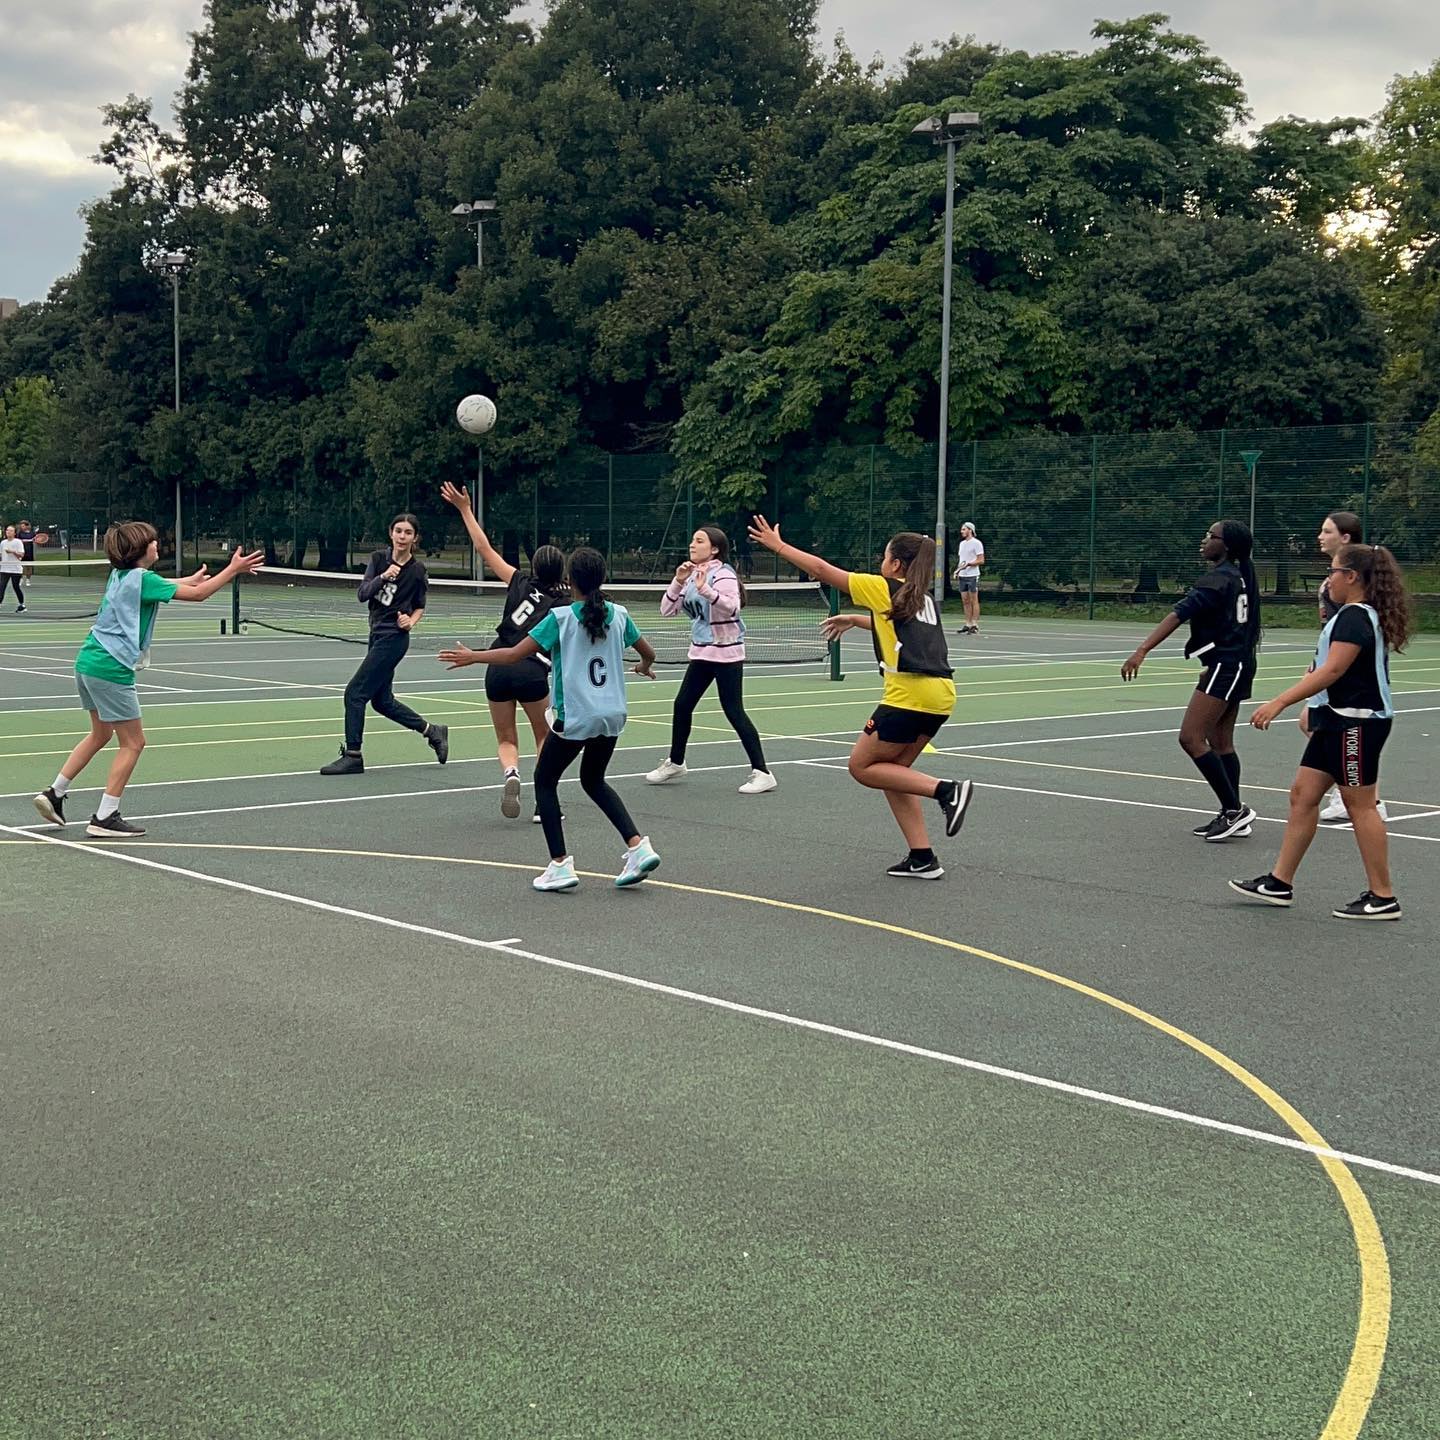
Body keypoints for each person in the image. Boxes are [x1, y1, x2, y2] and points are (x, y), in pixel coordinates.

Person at [748, 515, 973, 879]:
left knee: (862, 768)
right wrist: (856, 619)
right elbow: (894, 624)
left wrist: (779, 547)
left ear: (896, 564)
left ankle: (947, 791)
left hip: (909, 695)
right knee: (893, 773)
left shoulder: (881, 586)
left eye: (884, 556)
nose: (880, 562)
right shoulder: (921, 598)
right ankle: (922, 857)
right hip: (941, 695)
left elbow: (823, 569)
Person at [440, 547, 662, 892]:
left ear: (569, 581)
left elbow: (514, 653)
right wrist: (644, 667)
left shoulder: (561, 619)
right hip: (612, 717)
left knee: (545, 781)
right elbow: (648, 653)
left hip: (576, 717)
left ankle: (559, 864)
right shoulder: (619, 614)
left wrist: (473, 657)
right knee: (593, 780)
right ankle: (637, 846)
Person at [31, 521, 263, 837]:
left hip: (87, 661)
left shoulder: (121, 575)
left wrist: (187, 580)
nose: (157, 545)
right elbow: (199, 596)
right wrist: (233, 569)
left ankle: (54, 793)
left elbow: (160, 585)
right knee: (134, 742)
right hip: (111, 668)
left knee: (100, 735)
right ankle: (105, 816)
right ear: (142, 550)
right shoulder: (144, 579)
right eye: (153, 542)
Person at [1230, 543, 1411, 919]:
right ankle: (1279, 882)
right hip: (1335, 718)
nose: (1328, 579)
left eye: (1332, 571)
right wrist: (1314, 710)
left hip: (1358, 722)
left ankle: (1383, 896)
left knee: (1360, 805)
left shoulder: (1355, 617)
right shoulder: (1351, 615)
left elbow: (1331, 671)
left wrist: (1279, 702)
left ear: (1351, 577)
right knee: (1302, 795)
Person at [1120, 519, 1261, 842]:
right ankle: (1232, 813)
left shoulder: (1218, 579)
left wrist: (1142, 650)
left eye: (1211, 536)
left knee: (1191, 738)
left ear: (1225, 546)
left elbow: (1178, 614)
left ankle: (1234, 810)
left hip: (1228, 665)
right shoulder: (1237, 577)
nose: (1204, 540)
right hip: (1233, 663)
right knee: (1221, 741)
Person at [441, 480, 568, 820]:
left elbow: (484, 549)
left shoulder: (519, 582)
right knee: (544, 737)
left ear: (535, 568)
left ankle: (511, 773)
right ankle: (544, 802)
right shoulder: (565, 601)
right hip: (532, 668)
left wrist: (465, 509)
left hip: (497, 666)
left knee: (506, 738)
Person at [645, 525, 776, 795]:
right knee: (682, 705)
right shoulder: (691, 575)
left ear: (714, 548)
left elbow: (732, 606)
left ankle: (763, 772)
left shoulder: (723, 574)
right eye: (692, 540)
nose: (692, 545)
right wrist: (679, 580)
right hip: (702, 652)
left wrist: (705, 589)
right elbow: (667, 610)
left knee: (733, 711)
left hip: (726, 652)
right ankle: (677, 762)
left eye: (699, 541)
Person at [319, 513, 449, 776]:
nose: (402, 537)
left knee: (354, 694)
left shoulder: (417, 570)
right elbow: (362, 594)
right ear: (391, 533)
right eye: (398, 531)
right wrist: (384, 576)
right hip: (376, 634)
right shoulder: (379, 560)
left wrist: (410, 621)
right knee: (382, 701)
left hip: (394, 639)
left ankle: (353, 755)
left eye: (408, 533)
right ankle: (432, 731)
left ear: (415, 538)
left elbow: (420, 606)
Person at [1314, 512, 1388, 825]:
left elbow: (1345, 646)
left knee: (1320, 728)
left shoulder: (1354, 597)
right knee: (1302, 792)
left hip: (1355, 696)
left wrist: (1285, 698)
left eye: (1326, 531)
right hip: (1334, 672)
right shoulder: (1335, 581)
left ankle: (1367, 798)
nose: (1320, 536)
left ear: (1345, 538)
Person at [952, 521, 985, 635]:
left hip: (973, 575)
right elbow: (962, 561)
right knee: (965, 600)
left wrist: (970, 564)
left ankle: (975, 625)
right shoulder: (962, 544)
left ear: (970, 530)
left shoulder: (977, 543)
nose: (962, 531)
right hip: (963, 576)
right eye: (962, 529)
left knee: (973, 600)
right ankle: (968, 623)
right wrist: (957, 571)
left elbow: (981, 560)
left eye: (964, 529)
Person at [1, 524, 24, 611]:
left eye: (10, 531)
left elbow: (21, 555)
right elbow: (1, 555)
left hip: (16, 569)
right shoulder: (3, 543)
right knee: (1, 586)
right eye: (7, 530)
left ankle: (22, 605)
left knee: (16, 587)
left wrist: (12, 552)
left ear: (14, 533)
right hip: (4, 569)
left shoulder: (18, 542)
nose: (8, 532)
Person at [16, 519, 35, 587]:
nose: (22, 527)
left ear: (27, 526)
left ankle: (28, 580)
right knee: (20, 567)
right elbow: (17, 541)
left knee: (29, 567)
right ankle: (20, 579)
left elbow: (35, 540)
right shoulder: (19, 533)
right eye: (21, 526)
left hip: (29, 552)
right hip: (21, 552)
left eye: (23, 526)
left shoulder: (32, 533)